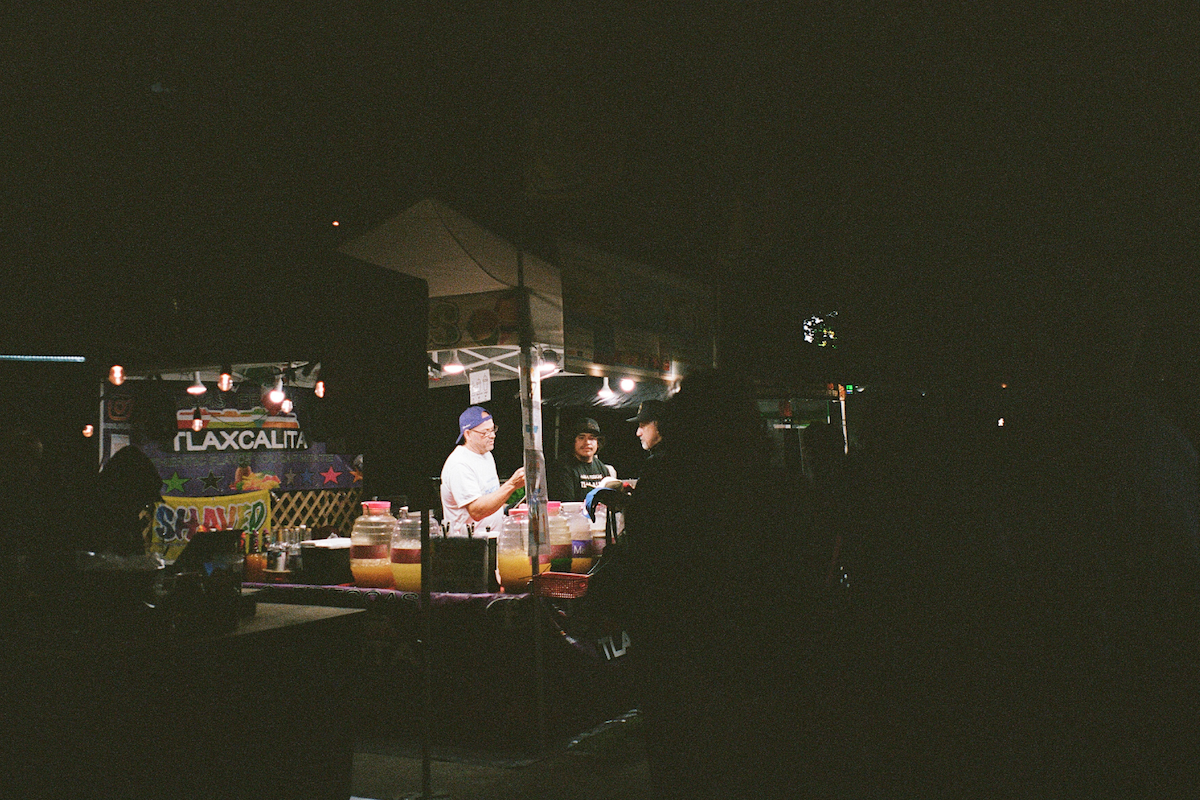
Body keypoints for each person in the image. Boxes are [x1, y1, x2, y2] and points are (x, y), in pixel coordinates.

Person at [587, 369, 812, 799]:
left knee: (685, 767)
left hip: (679, 658)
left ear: (683, 420)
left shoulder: (666, 483)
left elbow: (646, 566)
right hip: (761, 660)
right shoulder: (780, 485)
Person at [440, 406, 525, 535]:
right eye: (485, 432)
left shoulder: (486, 454)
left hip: (492, 537)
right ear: (467, 434)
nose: (492, 436)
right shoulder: (459, 464)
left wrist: (509, 508)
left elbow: (489, 496)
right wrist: (512, 485)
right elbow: (476, 511)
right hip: (469, 544)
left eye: (493, 430)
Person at [547, 417, 616, 502]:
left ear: (598, 443)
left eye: (592, 438)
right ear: (573, 441)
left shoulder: (602, 468)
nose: (587, 442)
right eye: (581, 437)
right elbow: (566, 505)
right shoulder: (561, 468)